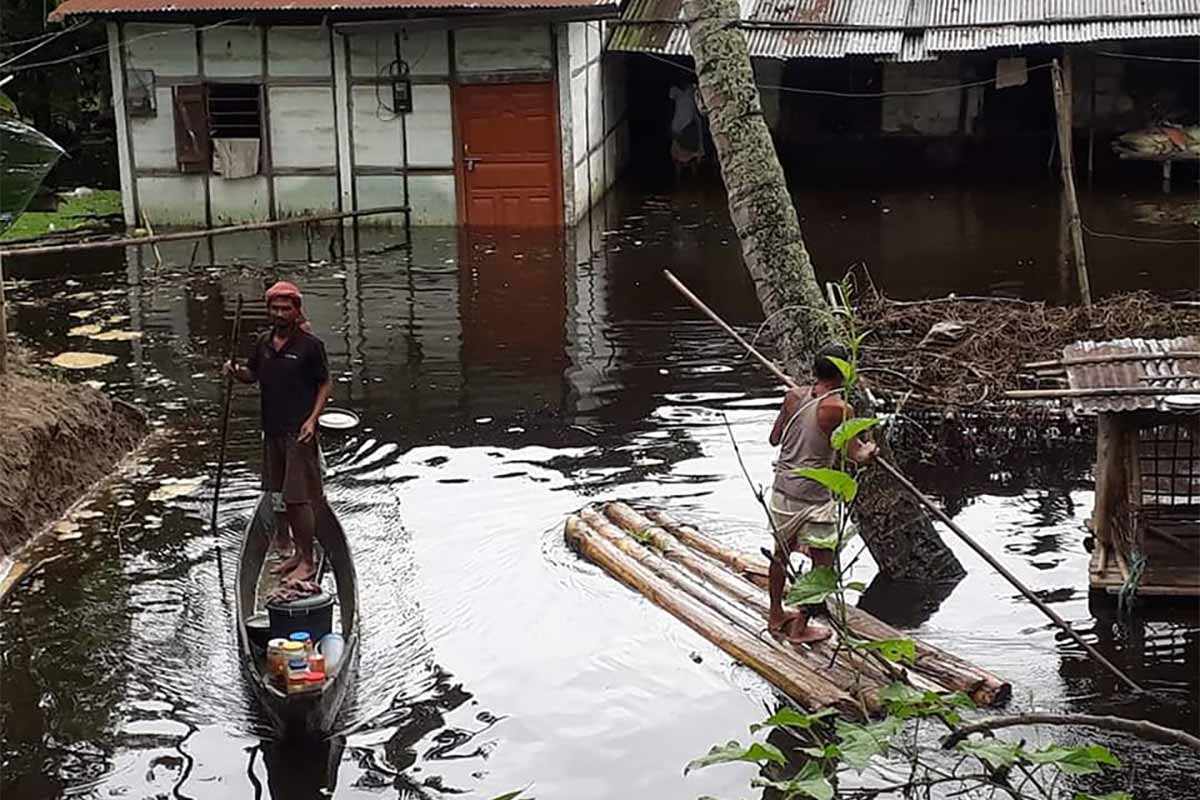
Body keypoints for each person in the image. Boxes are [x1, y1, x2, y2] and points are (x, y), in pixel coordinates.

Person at [767, 343, 877, 644]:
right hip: (814, 498)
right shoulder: (841, 409)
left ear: (814, 370)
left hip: (783, 488)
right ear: (844, 374)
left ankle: (776, 614)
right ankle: (800, 627)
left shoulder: (792, 397)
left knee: (780, 553)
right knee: (823, 565)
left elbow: (774, 438)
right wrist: (871, 445)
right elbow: (856, 455)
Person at [225, 281, 332, 582]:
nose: (280, 313)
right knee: (278, 493)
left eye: (286, 308)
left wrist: (313, 420)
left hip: (299, 431)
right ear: (268, 310)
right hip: (272, 429)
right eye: (275, 308)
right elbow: (252, 375)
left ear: (297, 311)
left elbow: (325, 383)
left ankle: (308, 561)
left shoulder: (310, 346)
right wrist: (235, 372)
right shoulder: (263, 343)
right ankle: (297, 554)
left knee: (297, 498)